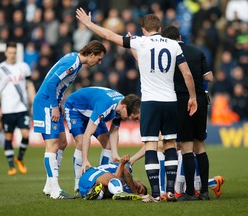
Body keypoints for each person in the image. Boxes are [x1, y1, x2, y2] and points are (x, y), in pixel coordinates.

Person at [76, 8, 197, 202]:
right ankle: (170, 192)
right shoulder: (174, 45)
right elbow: (187, 74)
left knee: (150, 145)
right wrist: (192, 97)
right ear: (159, 27)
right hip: (170, 101)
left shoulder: (140, 42)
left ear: (143, 29)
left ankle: (156, 194)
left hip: (150, 102)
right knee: (170, 144)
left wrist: (89, 24)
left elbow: (109, 35)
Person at [33, 40, 106, 199]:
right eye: (98, 59)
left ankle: (48, 185)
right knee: (52, 145)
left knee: (62, 143)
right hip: (46, 103)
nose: (99, 62)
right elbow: (52, 82)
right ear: (91, 54)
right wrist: (53, 105)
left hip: (53, 103)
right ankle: (55, 190)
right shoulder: (73, 62)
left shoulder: (76, 61)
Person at [161, 25, 213, 201]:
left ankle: (190, 192)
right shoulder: (197, 52)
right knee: (200, 146)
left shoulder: (169, 55)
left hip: (181, 101)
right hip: (200, 101)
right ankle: (204, 191)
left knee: (186, 147)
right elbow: (209, 77)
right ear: (180, 36)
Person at [63, 86, 140, 196]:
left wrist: (115, 154)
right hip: (75, 109)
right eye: (129, 115)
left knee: (108, 145)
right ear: (124, 107)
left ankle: (102, 177)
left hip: (92, 111)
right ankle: (77, 185)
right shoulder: (106, 105)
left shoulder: (121, 105)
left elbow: (114, 131)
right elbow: (87, 135)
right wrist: (85, 159)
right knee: (81, 142)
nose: (129, 118)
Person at [0, 42, 36, 176]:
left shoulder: (23, 67)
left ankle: (19, 159)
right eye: (10, 52)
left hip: (22, 107)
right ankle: (11, 166)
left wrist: (33, 103)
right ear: (6, 53)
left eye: (14, 52)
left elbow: (30, 85)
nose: (12, 55)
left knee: (26, 134)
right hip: (7, 108)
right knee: (8, 137)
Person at [79, 154, 146, 200]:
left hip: (85, 188)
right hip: (92, 173)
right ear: (139, 181)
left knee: (108, 190)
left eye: (139, 191)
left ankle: (97, 193)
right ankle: (118, 192)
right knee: (114, 183)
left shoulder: (127, 191)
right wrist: (136, 193)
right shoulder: (127, 167)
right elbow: (123, 171)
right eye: (140, 188)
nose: (137, 189)